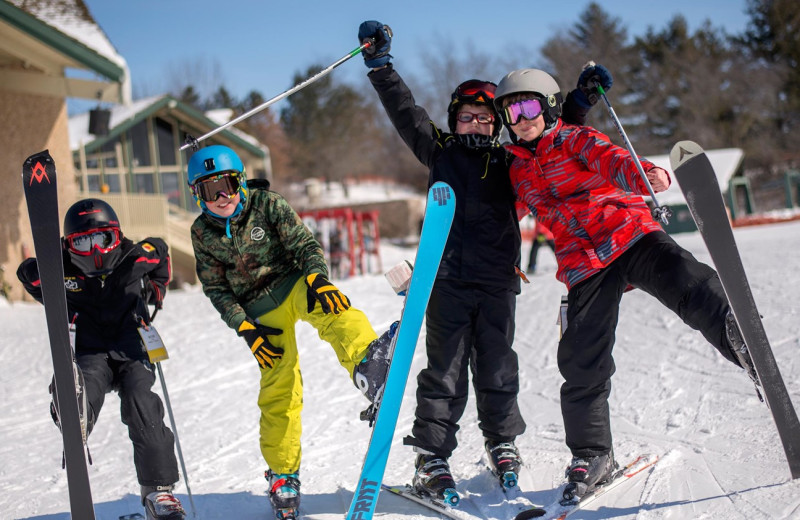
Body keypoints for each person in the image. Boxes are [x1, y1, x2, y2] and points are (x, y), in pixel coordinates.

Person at [356, 20, 612, 500]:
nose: (476, 124)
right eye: (467, 117)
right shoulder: (440, 151)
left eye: (485, 117)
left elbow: (552, 131)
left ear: (497, 122)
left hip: (497, 282)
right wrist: (380, 65)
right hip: (446, 283)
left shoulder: (513, 159)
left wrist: (582, 100)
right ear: (454, 120)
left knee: (498, 368)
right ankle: (431, 457)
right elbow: (404, 111)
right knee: (444, 374)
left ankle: (502, 443)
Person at [493, 68, 758, 501]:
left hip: (628, 232)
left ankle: (741, 337)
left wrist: (646, 176)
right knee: (580, 359)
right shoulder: (517, 170)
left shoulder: (575, 139)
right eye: (511, 110)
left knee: (684, 278)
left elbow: (613, 159)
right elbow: (501, 216)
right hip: (583, 264)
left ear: (549, 107)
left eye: (528, 106)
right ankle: (593, 453)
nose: (521, 118)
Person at [186, 144, 393, 517]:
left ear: (240, 182)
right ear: (195, 195)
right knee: (280, 385)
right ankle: (283, 473)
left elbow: (304, 244)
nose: (220, 198)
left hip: (293, 282)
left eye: (227, 186)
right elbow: (216, 289)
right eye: (208, 190)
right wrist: (245, 328)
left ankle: (368, 362)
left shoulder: (266, 204)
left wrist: (317, 279)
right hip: (258, 310)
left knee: (334, 309)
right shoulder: (202, 233)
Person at [17, 199, 186, 520]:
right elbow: (30, 278)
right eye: (82, 241)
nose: (94, 249)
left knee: (142, 402)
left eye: (102, 239)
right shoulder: (62, 269)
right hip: (89, 349)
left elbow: (161, 251)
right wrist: (43, 264)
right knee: (87, 381)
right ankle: (71, 412)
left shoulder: (132, 257)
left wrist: (154, 290)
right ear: (69, 243)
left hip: (131, 349)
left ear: (116, 236)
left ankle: (158, 489)